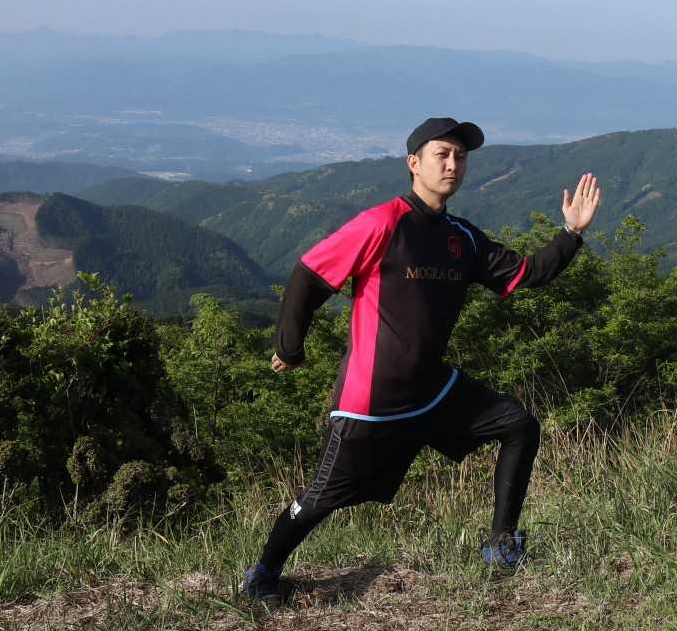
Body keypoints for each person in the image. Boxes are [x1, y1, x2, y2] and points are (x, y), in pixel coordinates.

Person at [241, 116, 601, 602]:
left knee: (518, 425)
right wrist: (289, 346)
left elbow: (525, 274)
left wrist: (571, 233)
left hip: (433, 391)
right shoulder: (382, 223)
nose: (453, 164)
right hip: (371, 402)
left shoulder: (462, 237)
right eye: (442, 155)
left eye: (461, 157)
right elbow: (309, 273)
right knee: (319, 499)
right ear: (414, 163)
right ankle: (263, 574)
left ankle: (501, 547)